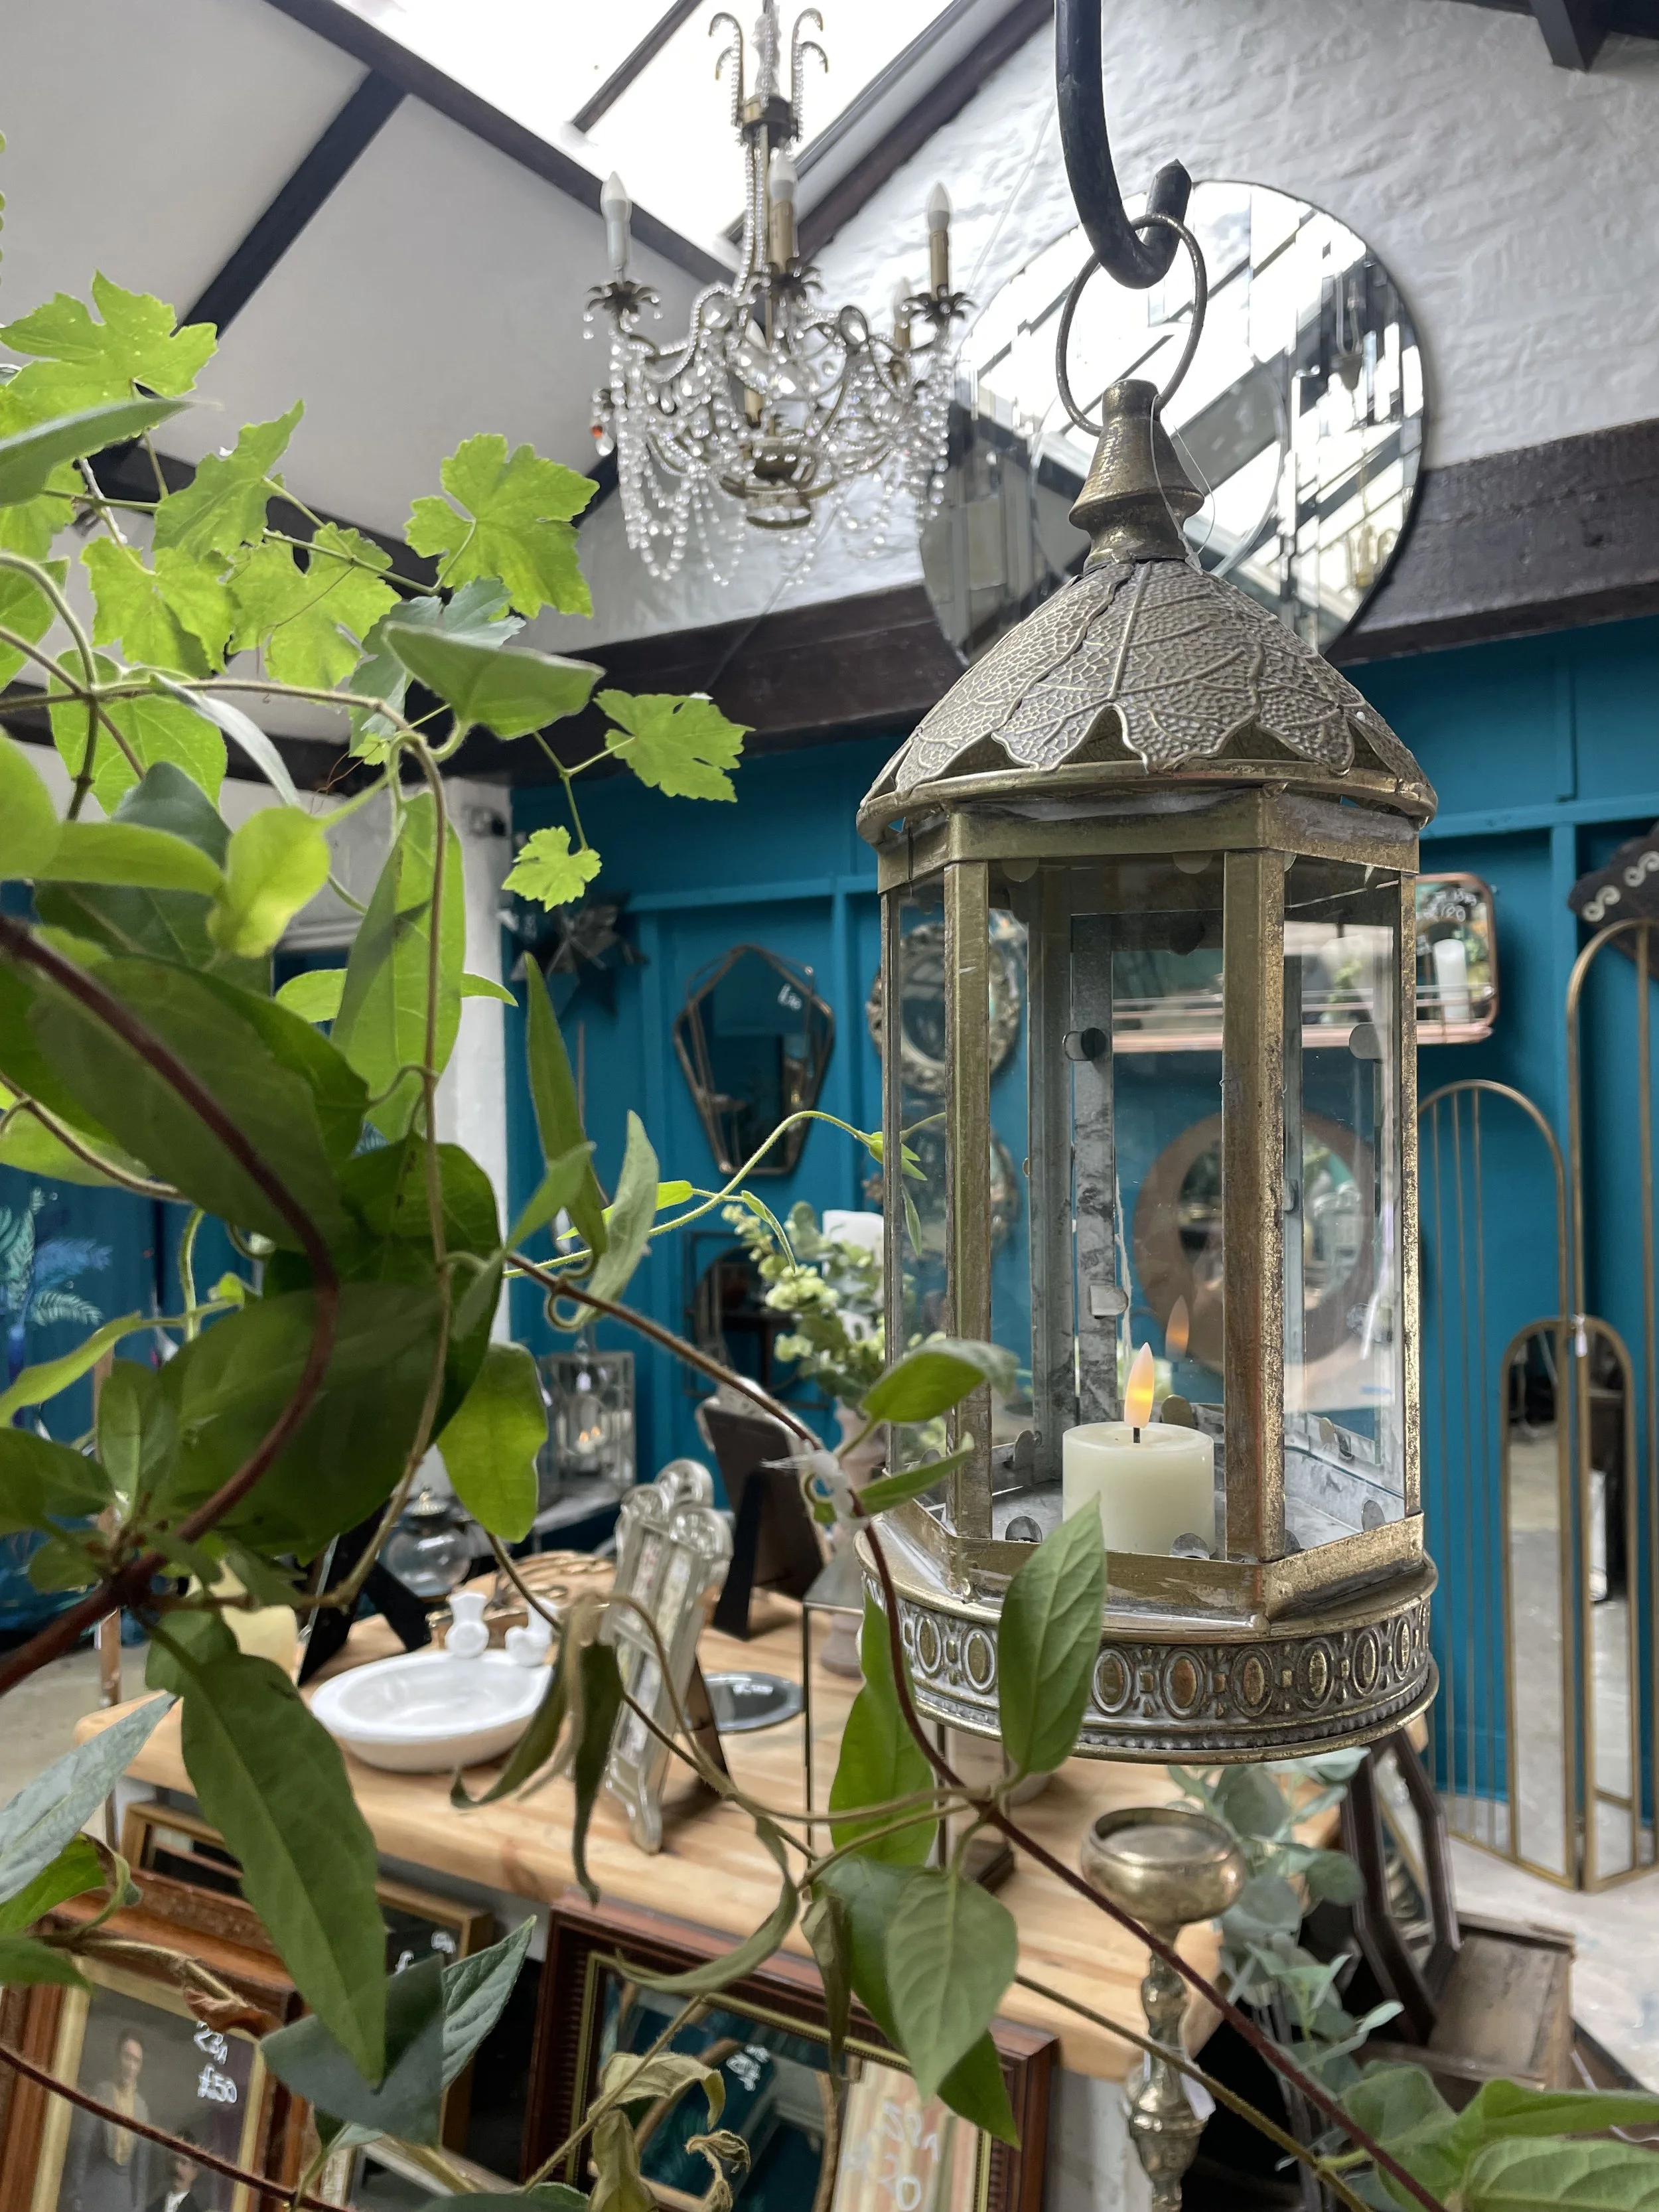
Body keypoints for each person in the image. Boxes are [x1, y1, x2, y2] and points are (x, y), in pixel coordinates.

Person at [64, 2029, 150, 2212]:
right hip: (98, 2186)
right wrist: (77, 2194)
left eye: (136, 2061)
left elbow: (141, 2166)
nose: (130, 2066)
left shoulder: (142, 2108)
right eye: (127, 2057)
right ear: (118, 2058)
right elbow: (83, 2147)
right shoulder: (101, 2093)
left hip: (123, 2194)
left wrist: (139, 2204)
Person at [144, 2136, 206, 2212]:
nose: (177, 2167)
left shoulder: (196, 2209)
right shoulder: (153, 2208)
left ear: (195, 2172)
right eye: (174, 2160)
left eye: (183, 2162)